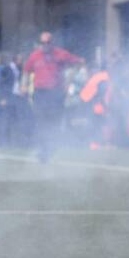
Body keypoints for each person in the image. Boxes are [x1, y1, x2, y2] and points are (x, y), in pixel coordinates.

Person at [23, 31, 83, 162]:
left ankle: (50, 147)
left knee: (54, 121)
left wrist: (69, 79)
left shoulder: (60, 54)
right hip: (40, 93)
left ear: (52, 43)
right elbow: (26, 71)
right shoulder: (35, 56)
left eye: (47, 42)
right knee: (41, 121)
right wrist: (24, 85)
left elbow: (79, 62)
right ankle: (43, 149)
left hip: (55, 93)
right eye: (42, 43)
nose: (45, 45)